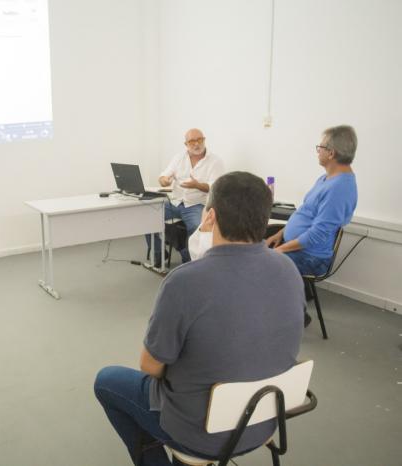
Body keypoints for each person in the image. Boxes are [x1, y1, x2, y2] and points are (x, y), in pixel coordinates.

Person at [96, 172, 304, 466]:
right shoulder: (288, 269)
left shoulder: (184, 282)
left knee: (106, 381)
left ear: (211, 216)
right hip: (265, 419)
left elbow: (151, 366)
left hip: (202, 434)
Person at [266, 125, 358, 277]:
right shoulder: (326, 178)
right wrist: (281, 233)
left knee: (258, 263)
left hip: (310, 257)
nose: (318, 151)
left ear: (331, 153)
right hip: (297, 248)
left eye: (320, 147)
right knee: (251, 251)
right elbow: (306, 212)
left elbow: (317, 235)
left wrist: (279, 250)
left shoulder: (339, 188)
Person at [147, 128, 225, 265]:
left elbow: (215, 188)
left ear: (204, 140)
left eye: (199, 140)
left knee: (196, 227)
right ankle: (159, 255)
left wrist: (197, 185)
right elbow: (164, 176)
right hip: (175, 202)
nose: (197, 144)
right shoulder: (179, 157)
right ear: (186, 144)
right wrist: (164, 180)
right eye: (192, 141)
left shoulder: (215, 161)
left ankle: (189, 261)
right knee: (148, 216)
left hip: (197, 205)